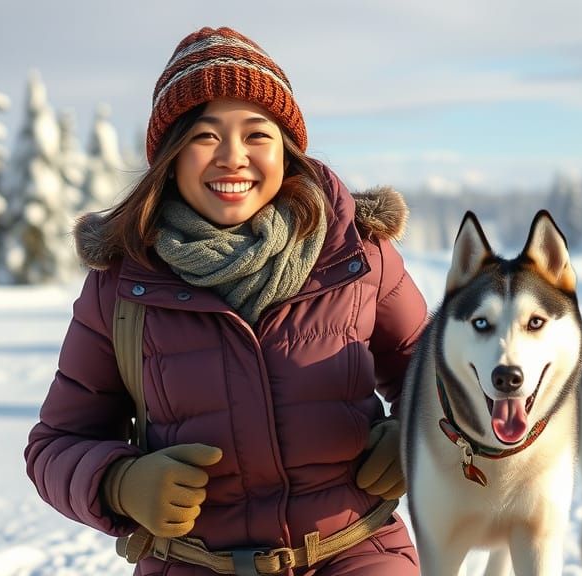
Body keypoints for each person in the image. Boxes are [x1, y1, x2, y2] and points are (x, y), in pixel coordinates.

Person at [23, 26, 428, 576]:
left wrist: (416, 437)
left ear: (285, 149)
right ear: (171, 154)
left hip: (355, 553)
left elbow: (443, 382)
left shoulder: (356, 253)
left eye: (256, 135)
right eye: (206, 136)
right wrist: (120, 484)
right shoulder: (122, 286)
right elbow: (57, 443)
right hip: (192, 563)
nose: (233, 158)